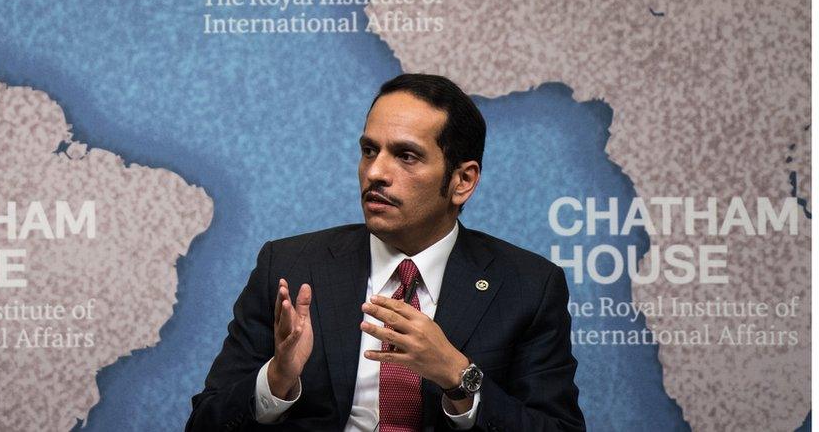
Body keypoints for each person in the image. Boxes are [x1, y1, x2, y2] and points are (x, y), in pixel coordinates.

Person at [187, 74, 585, 431]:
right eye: (369, 150)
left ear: (462, 181)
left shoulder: (527, 286)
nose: (375, 172)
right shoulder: (290, 267)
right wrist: (276, 380)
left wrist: (458, 375)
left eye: (406, 155)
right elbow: (205, 423)